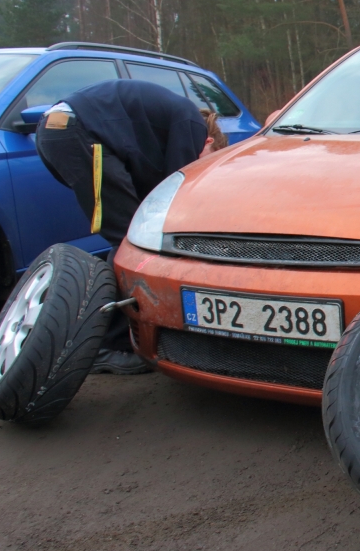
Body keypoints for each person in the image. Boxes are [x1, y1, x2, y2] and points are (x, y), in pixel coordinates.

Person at [36, 79, 228, 374]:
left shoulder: (164, 124)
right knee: (131, 244)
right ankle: (108, 345)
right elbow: (176, 192)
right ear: (209, 143)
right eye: (208, 162)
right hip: (78, 133)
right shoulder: (191, 123)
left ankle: (113, 333)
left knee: (129, 236)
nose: (202, 171)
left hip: (58, 130)